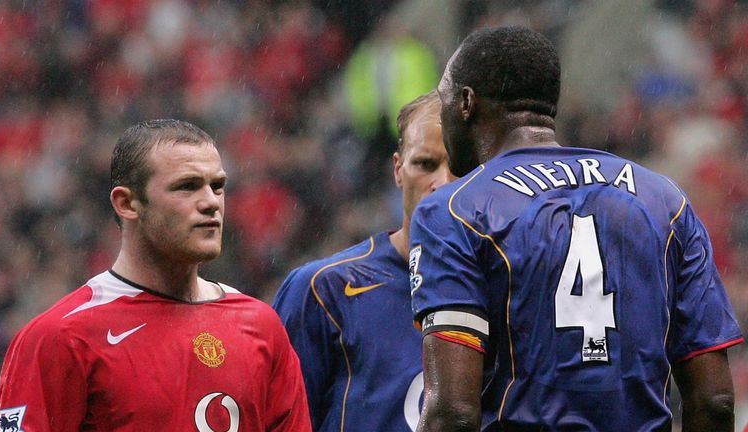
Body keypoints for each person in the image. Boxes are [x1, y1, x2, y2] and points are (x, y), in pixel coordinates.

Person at [409, 27, 744, 432]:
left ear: (465, 103)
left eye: (444, 100)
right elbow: (715, 400)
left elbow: (452, 413)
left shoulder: (456, 211)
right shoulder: (665, 201)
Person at [0, 119, 311, 431]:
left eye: (217, 186)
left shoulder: (260, 326)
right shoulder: (61, 337)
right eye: (186, 187)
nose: (211, 203)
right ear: (127, 203)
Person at [273, 90, 454, 432]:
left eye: (459, 166)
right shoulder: (323, 291)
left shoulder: (509, 292)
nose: (441, 183)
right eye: (425, 164)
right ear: (399, 170)